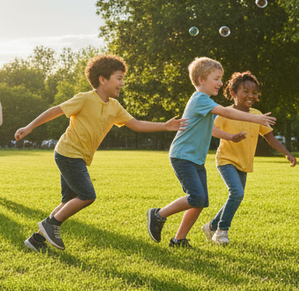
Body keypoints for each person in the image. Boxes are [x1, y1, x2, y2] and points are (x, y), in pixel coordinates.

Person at [14, 54, 185, 252]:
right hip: (69, 153)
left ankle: (36, 239)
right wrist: (29, 127)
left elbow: (136, 125)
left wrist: (165, 126)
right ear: (102, 79)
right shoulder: (85, 99)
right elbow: (56, 110)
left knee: (69, 201)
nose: (122, 83)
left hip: (78, 157)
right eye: (119, 78)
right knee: (87, 195)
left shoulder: (114, 106)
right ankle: (50, 225)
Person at [147, 57, 276, 248]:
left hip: (195, 158)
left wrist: (230, 137)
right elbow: (228, 112)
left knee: (200, 201)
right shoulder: (200, 99)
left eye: (221, 78)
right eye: (216, 78)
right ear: (201, 80)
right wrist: (255, 118)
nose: (221, 83)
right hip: (183, 156)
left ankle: (178, 240)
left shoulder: (206, 102)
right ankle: (158, 214)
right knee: (196, 197)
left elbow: (213, 128)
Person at [204, 71, 296, 245]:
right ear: (233, 93)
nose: (251, 96)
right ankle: (221, 231)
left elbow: (270, 137)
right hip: (226, 160)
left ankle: (211, 226)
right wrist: (230, 137)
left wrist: (287, 153)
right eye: (245, 91)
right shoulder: (224, 113)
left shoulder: (257, 114)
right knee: (237, 193)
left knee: (236, 196)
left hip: (244, 162)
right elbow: (213, 130)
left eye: (254, 92)